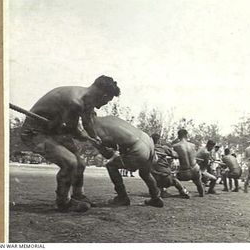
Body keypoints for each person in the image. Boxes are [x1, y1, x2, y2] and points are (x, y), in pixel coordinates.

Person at [20, 75, 120, 212]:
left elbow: (87, 123)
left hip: (55, 130)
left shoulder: (86, 100)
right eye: (107, 100)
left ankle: (79, 196)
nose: (105, 105)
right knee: (70, 162)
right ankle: (63, 202)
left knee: (81, 164)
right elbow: (73, 130)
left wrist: (98, 142)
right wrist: (82, 135)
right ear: (103, 95)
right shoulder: (75, 101)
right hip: (34, 131)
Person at [91, 114, 164, 208]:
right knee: (145, 173)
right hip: (148, 141)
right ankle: (156, 198)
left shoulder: (97, 125)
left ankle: (122, 197)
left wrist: (99, 147)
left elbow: (109, 151)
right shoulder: (110, 118)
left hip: (137, 146)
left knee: (111, 166)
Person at [150, 133, 189, 199]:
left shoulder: (148, 150)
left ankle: (161, 191)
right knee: (174, 180)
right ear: (159, 140)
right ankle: (183, 191)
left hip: (154, 178)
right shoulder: (164, 148)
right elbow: (176, 155)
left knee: (154, 178)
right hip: (166, 176)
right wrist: (171, 155)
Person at [172, 129, 205, 197]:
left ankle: (183, 191)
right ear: (186, 135)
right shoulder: (192, 145)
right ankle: (202, 193)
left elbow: (174, 156)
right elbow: (193, 155)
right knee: (198, 181)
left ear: (178, 136)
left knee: (172, 178)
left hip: (185, 173)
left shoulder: (176, 146)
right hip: (195, 170)